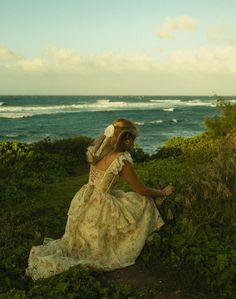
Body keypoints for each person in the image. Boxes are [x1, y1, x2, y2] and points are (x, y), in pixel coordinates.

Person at [25, 118, 174, 281]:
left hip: (85, 199)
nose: (133, 144)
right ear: (126, 138)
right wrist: (162, 192)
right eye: (133, 139)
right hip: (101, 206)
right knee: (144, 201)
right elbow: (142, 190)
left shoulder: (100, 149)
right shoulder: (121, 161)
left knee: (124, 199)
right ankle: (140, 238)